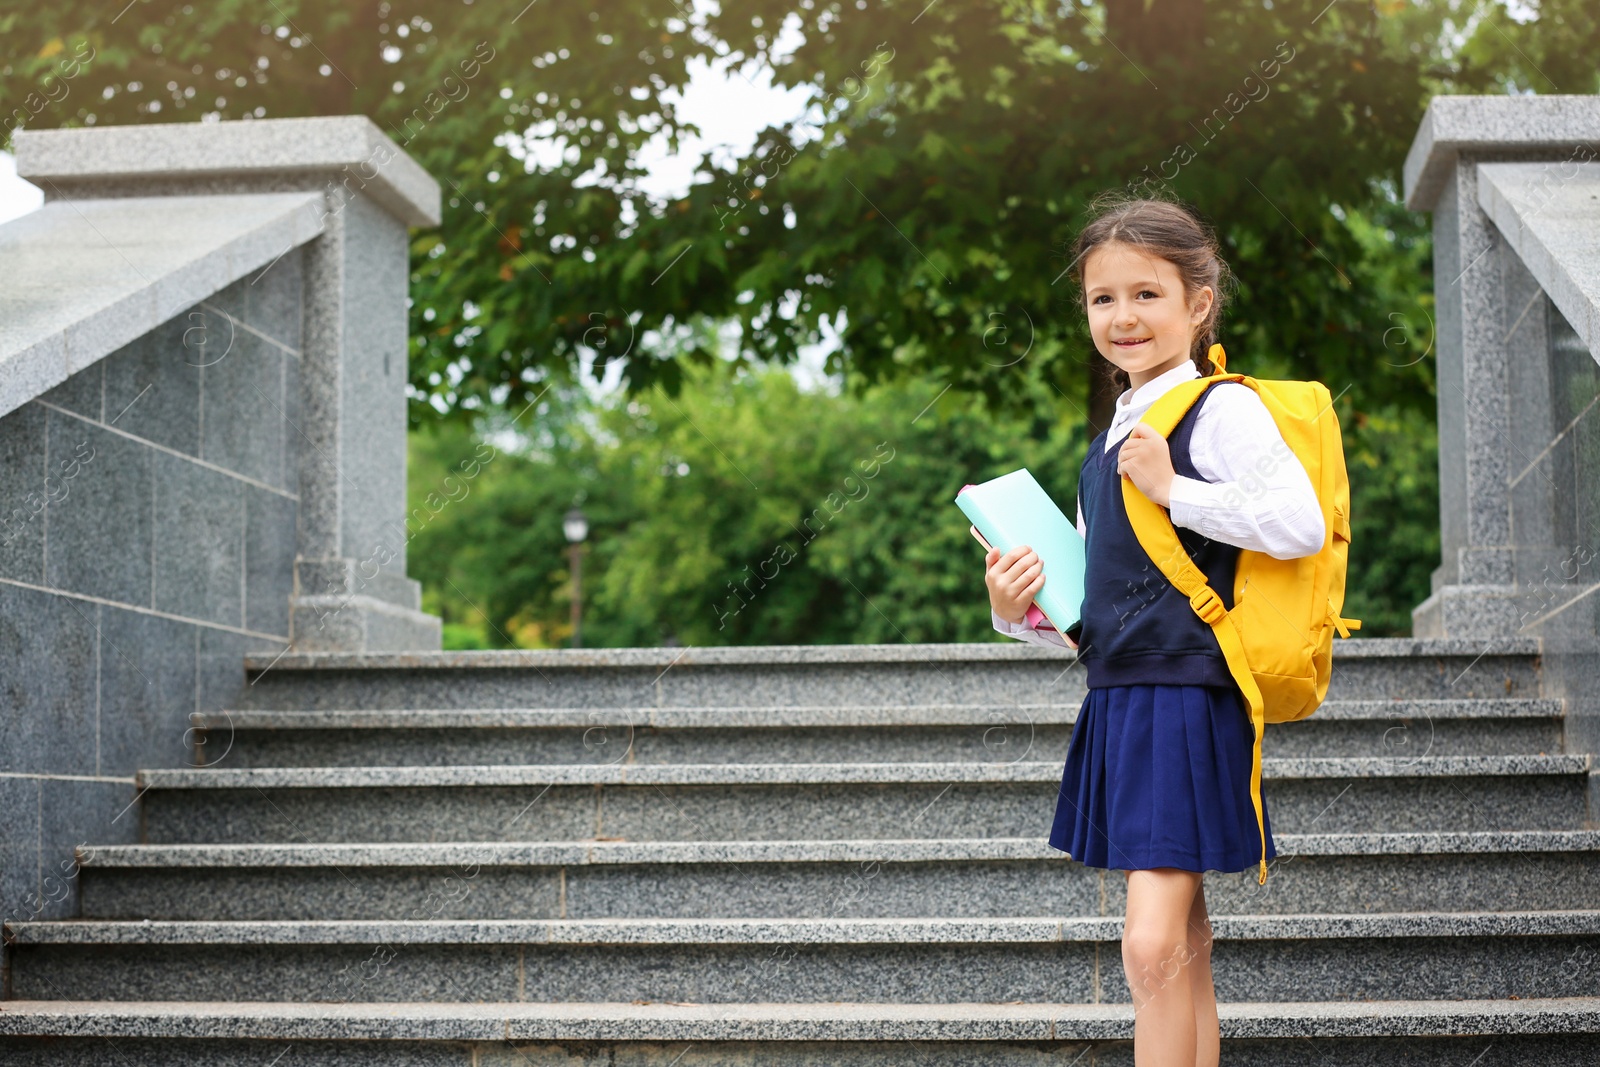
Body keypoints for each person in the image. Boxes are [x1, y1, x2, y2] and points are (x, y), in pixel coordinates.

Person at [982, 193, 1326, 1067]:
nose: (1123, 316)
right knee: (1181, 938)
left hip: (1186, 694)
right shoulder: (1110, 438)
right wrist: (1011, 606)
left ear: (1197, 303)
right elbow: (1092, 612)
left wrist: (1178, 490)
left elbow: (1299, 522)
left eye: (1147, 294)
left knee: (1149, 944)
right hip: (1123, 695)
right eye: (1103, 298)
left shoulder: (1221, 410)